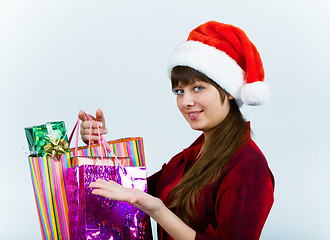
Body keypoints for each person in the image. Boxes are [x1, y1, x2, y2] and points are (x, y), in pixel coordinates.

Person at [79, 21, 274, 240]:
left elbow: (146, 201)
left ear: (228, 91)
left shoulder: (247, 167)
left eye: (198, 88)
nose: (186, 101)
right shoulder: (194, 154)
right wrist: (97, 146)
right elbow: (128, 191)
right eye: (179, 91)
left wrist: (158, 211)